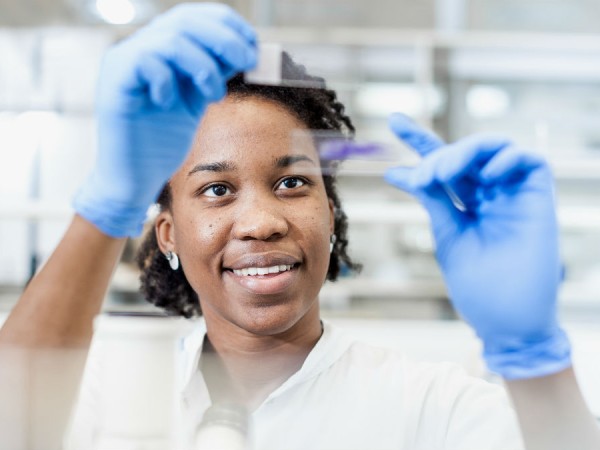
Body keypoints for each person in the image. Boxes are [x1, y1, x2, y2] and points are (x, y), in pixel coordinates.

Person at [0, 3, 598, 449]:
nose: (260, 222)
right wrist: (106, 207)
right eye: (216, 190)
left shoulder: (430, 407)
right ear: (168, 236)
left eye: (292, 183)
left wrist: (534, 359)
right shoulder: (108, 390)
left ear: (330, 215)